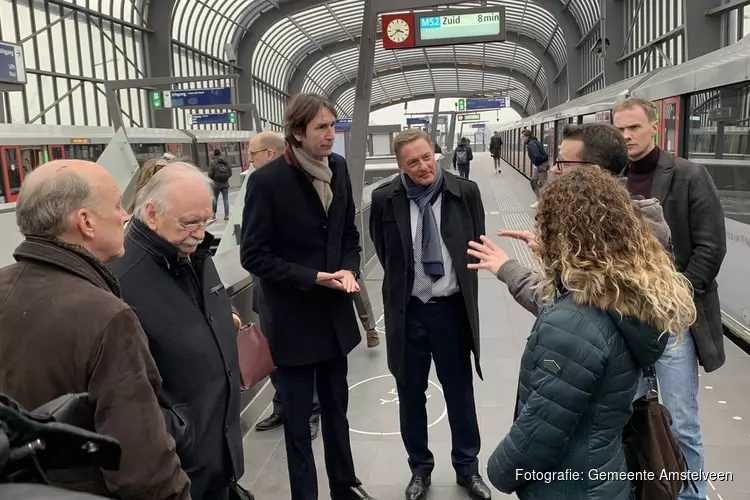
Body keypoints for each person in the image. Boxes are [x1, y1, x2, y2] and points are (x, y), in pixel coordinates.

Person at [470, 167, 696, 499]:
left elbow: (540, 433)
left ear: (560, 233)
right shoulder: (626, 298)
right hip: (605, 473)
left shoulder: (573, 322)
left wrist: (499, 471)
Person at [0, 160, 191, 499]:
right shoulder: (108, 317)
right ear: (86, 222)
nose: (125, 215)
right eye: (117, 205)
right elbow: (142, 469)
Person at [240, 93, 374, 500]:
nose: (331, 135)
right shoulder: (267, 182)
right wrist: (314, 277)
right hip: (294, 322)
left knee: (337, 411)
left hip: (333, 318)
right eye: (321, 127)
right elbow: (253, 255)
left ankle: (344, 486)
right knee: (298, 423)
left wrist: (349, 269)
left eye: (333, 126)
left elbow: (349, 233)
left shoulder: (338, 168)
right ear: (297, 133)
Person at [613, 97, 726, 500]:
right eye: (620, 130)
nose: (626, 136)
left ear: (654, 128)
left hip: (673, 321)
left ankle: (690, 496)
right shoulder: (612, 180)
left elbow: (711, 249)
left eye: (634, 128)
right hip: (624, 320)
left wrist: (672, 298)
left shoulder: (689, 175)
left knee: (681, 420)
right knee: (629, 415)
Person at [109, 163, 244, 500]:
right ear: (152, 214)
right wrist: (181, 436)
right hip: (180, 472)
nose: (200, 233)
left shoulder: (194, 253)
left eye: (206, 221)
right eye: (189, 223)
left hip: (220, 458)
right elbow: (123, 395)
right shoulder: (119, 282)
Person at [370, 129, 491, 500]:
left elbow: (477, 245)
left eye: (427, 157)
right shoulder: (383, 200)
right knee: (410, 395)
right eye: (412, 163)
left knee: (459, 393)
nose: (423, 167)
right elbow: (383, 249)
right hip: (408, 314)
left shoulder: (465, 192)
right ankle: (420, 470)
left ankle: (467, 469)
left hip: (451, 311)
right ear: (399, 166)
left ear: (435, 153)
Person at [492, 123, 673, 315]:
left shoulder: (602, 236)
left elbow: (564, 311)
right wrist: (551, 250)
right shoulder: (634, 225)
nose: (554, 169)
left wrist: (507, 269)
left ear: (592, 172)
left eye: (563, 163)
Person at [246, 131, 323, 437]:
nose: (250, 162)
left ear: (268, 154)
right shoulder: (259, 184)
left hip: (295, 289)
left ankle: (310, 412)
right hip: (266, 289)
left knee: (303, 355)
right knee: (274, 353)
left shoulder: (296, 185)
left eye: (252, 155)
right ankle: (284, 406)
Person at [521, 129, 549, 209]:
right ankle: (540, 200)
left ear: (527, 136)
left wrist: (536, 164)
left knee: (542, 183)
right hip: (541, 164)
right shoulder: (534, 142)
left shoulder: (531, 144)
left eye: (523, 137)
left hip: (540, 165)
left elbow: (536, 155)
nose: (522, 138)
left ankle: (542, 202)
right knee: (534, 181)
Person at [208, 149, 233, 220]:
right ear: (220, 153)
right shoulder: (226, 161)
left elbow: (210, 173)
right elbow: (230, 173)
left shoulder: (212, 162)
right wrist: (225, 178)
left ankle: (214, 214)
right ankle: (227, 215)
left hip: (216, 184)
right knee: (226, 199)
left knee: (215, 198)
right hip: (225, 183)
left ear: (214, 154)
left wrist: (214, 178)